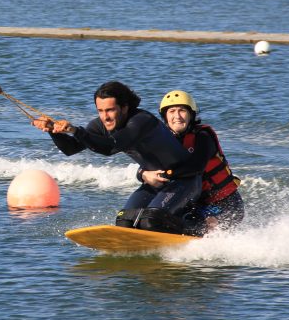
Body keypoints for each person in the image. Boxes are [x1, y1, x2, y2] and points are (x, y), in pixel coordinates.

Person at [32, 81, 202, 234]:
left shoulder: (141, 121)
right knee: (124, 221)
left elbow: (110, 146)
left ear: (125, 107)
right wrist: (52, 131)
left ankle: (198, 231)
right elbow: (71, 148)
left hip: (184, 182)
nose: (105, 117)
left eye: (110, 110)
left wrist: (76, 131)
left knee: (151, 220)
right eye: (100, 111)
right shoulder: (101, 125)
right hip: (154, 183)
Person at [140, 90, 244, 236]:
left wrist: (167, 174)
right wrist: (143, 174)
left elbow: (196, 166)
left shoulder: (203, 136)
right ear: (165, 116)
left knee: (205, 224)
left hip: (225, 204)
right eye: (171, 111)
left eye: (182, 111)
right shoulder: (165, 141)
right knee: (152, 219)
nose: (177, 116)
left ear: (191, 114)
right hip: (194, 204)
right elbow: (146, 165)